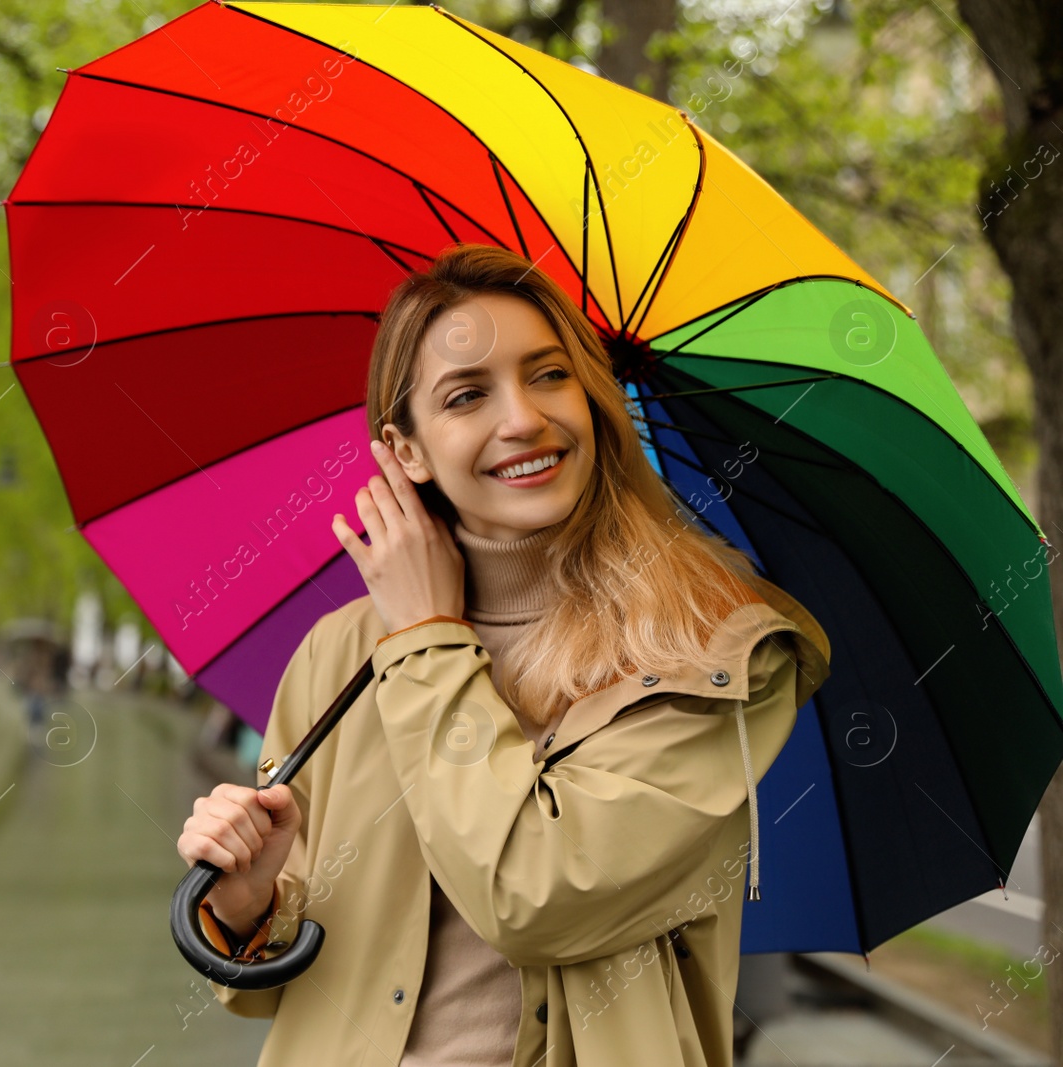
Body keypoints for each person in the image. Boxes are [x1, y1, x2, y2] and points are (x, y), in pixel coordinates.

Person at [174, 244, 831, 1067]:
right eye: (467, 394)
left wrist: (425, 641)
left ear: (594, 401)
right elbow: (273, 980)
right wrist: (249, 902)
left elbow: (537, 894)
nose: (522, 418)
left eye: (551, 374)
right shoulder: (339, 651)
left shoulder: (708, 647)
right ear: (406, 451)